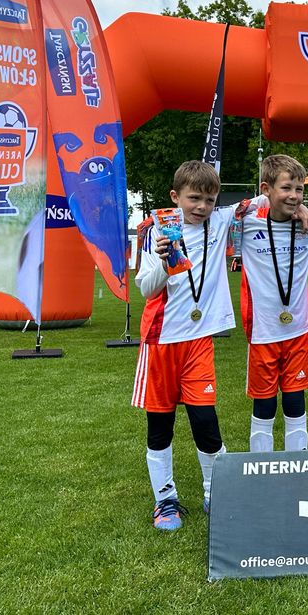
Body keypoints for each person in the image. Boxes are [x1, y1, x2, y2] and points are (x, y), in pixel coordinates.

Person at [133, 161, 237, 531]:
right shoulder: (153, 230)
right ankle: (165, 499)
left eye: (209, 199)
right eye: (194, 198)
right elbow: (146, 290)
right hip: (161, 342)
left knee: (205, 422)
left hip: (198, 342)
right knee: (160, 425)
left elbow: (266, 198)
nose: (202, 207)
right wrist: (163, 261)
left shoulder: (221, 221)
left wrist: (303, 207)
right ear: (176, 197)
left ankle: (216, 490)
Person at [238, 154, 308, 454]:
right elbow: (217, 211)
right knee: (264, 402)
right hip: (263, 331)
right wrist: (261, 201)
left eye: (300, 190)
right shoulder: (245, 224)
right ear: (266, 188)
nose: (294, 196)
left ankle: (297, 465)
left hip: (298, 330)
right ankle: (262, 467)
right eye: (286, 188)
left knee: (295, 399)